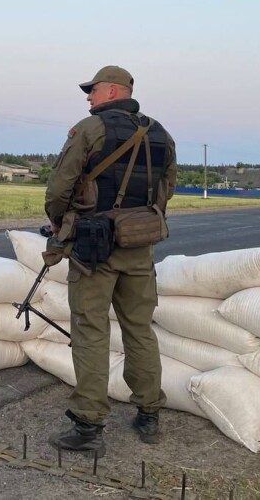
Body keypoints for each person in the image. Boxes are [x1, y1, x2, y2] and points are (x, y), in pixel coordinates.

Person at [44, 65, 177, 456]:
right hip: (140, 245)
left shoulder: (89, 130)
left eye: (93, 90)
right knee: (140, 329)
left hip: (94, 247)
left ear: (114, 91)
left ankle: (89, 425)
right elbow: (165, 189)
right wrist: (138, 221)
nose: (88, 97)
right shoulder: (160, 133)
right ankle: (149, 413)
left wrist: (58, 223)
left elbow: (59, 187)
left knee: (90, 330)